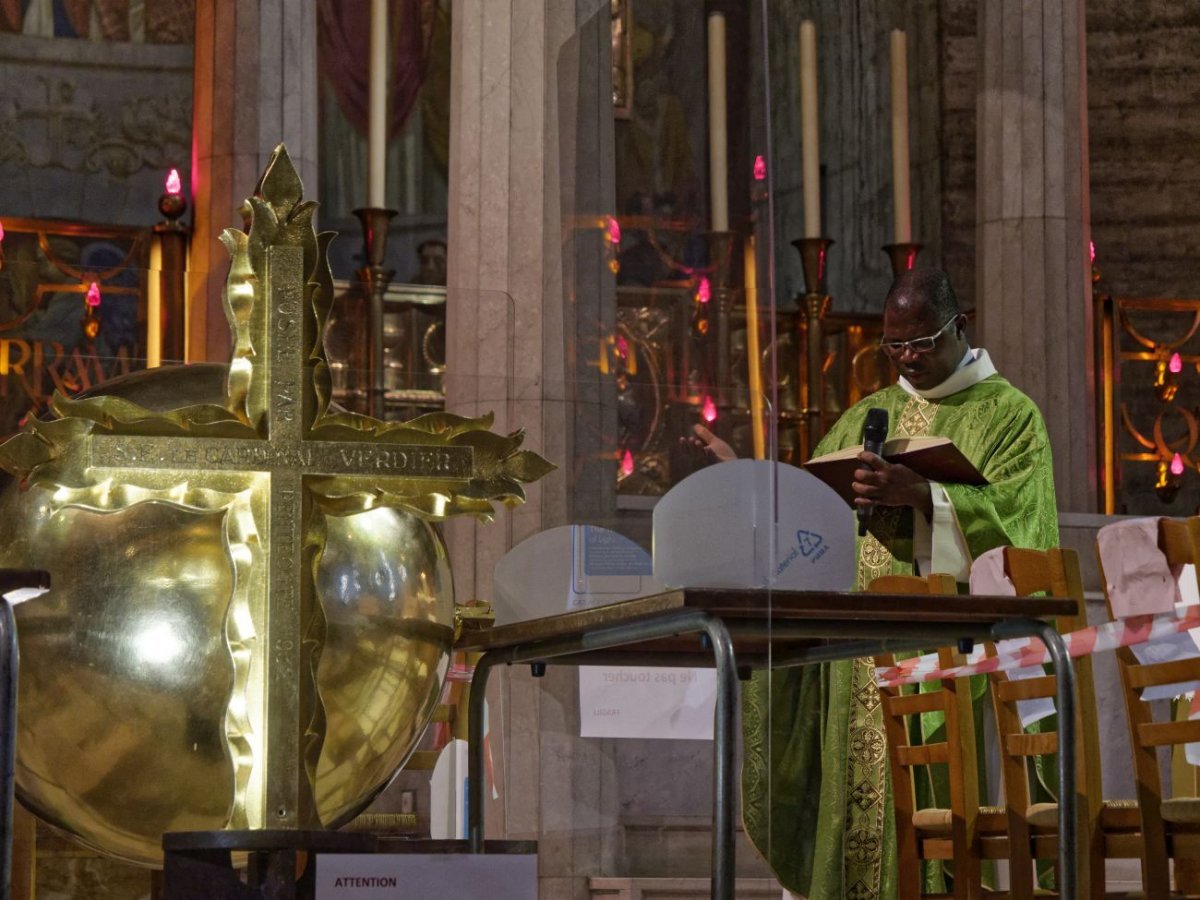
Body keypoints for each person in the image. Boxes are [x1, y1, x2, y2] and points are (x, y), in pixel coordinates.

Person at [694, 267, 1058, 900]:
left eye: (922, 343)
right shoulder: (868, 415)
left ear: (959, 328)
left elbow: (1023, 530)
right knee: (853, 801)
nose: (909, 359)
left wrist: (927, 497)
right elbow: (812, 518)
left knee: (933, 809)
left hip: (944, 650)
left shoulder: (1010, 416)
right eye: (895, 346)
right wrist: (751, 485)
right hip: (857, 653)